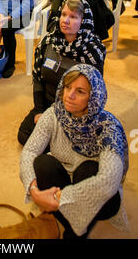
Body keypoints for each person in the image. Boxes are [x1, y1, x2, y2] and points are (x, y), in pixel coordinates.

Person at [20, 63, 129, 239]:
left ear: (93, 97)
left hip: (101, 193)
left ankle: (74, 233)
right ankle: (72, 224)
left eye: (80, 91)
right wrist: (34, 190)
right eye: (68, 87)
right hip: (65, 179)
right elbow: (29, 151)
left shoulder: (108, 127)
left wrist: (59, 198)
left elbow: (108, 181)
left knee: (88, 170)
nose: (69, 96)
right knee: (41, 163)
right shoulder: (54, 113)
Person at [17, 0, 106, 146]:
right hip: (47, 104)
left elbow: (95, 94)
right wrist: (39, 110)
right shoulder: (47, 43)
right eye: (64, 15)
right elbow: (38, 78)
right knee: (24, 136)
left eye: (73, 17)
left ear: (83, 21)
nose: (65, 20)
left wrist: (69, 118)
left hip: (75, 111)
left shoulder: (93, 51)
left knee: (69, 143)